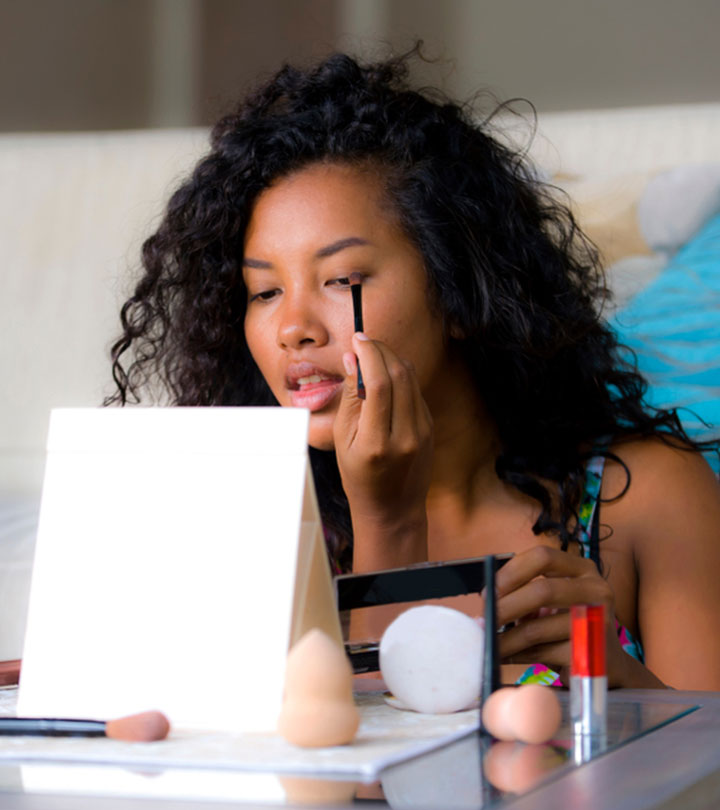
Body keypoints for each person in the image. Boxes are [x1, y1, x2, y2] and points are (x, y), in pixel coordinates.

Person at [106, 50, 720, 691]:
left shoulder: (649, 498)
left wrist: (617, 686)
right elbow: (352, 772)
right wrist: (386, 524)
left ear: (459, 292)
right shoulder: (253, 526)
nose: (293, 328)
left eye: (341, 280)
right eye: (263, 293)